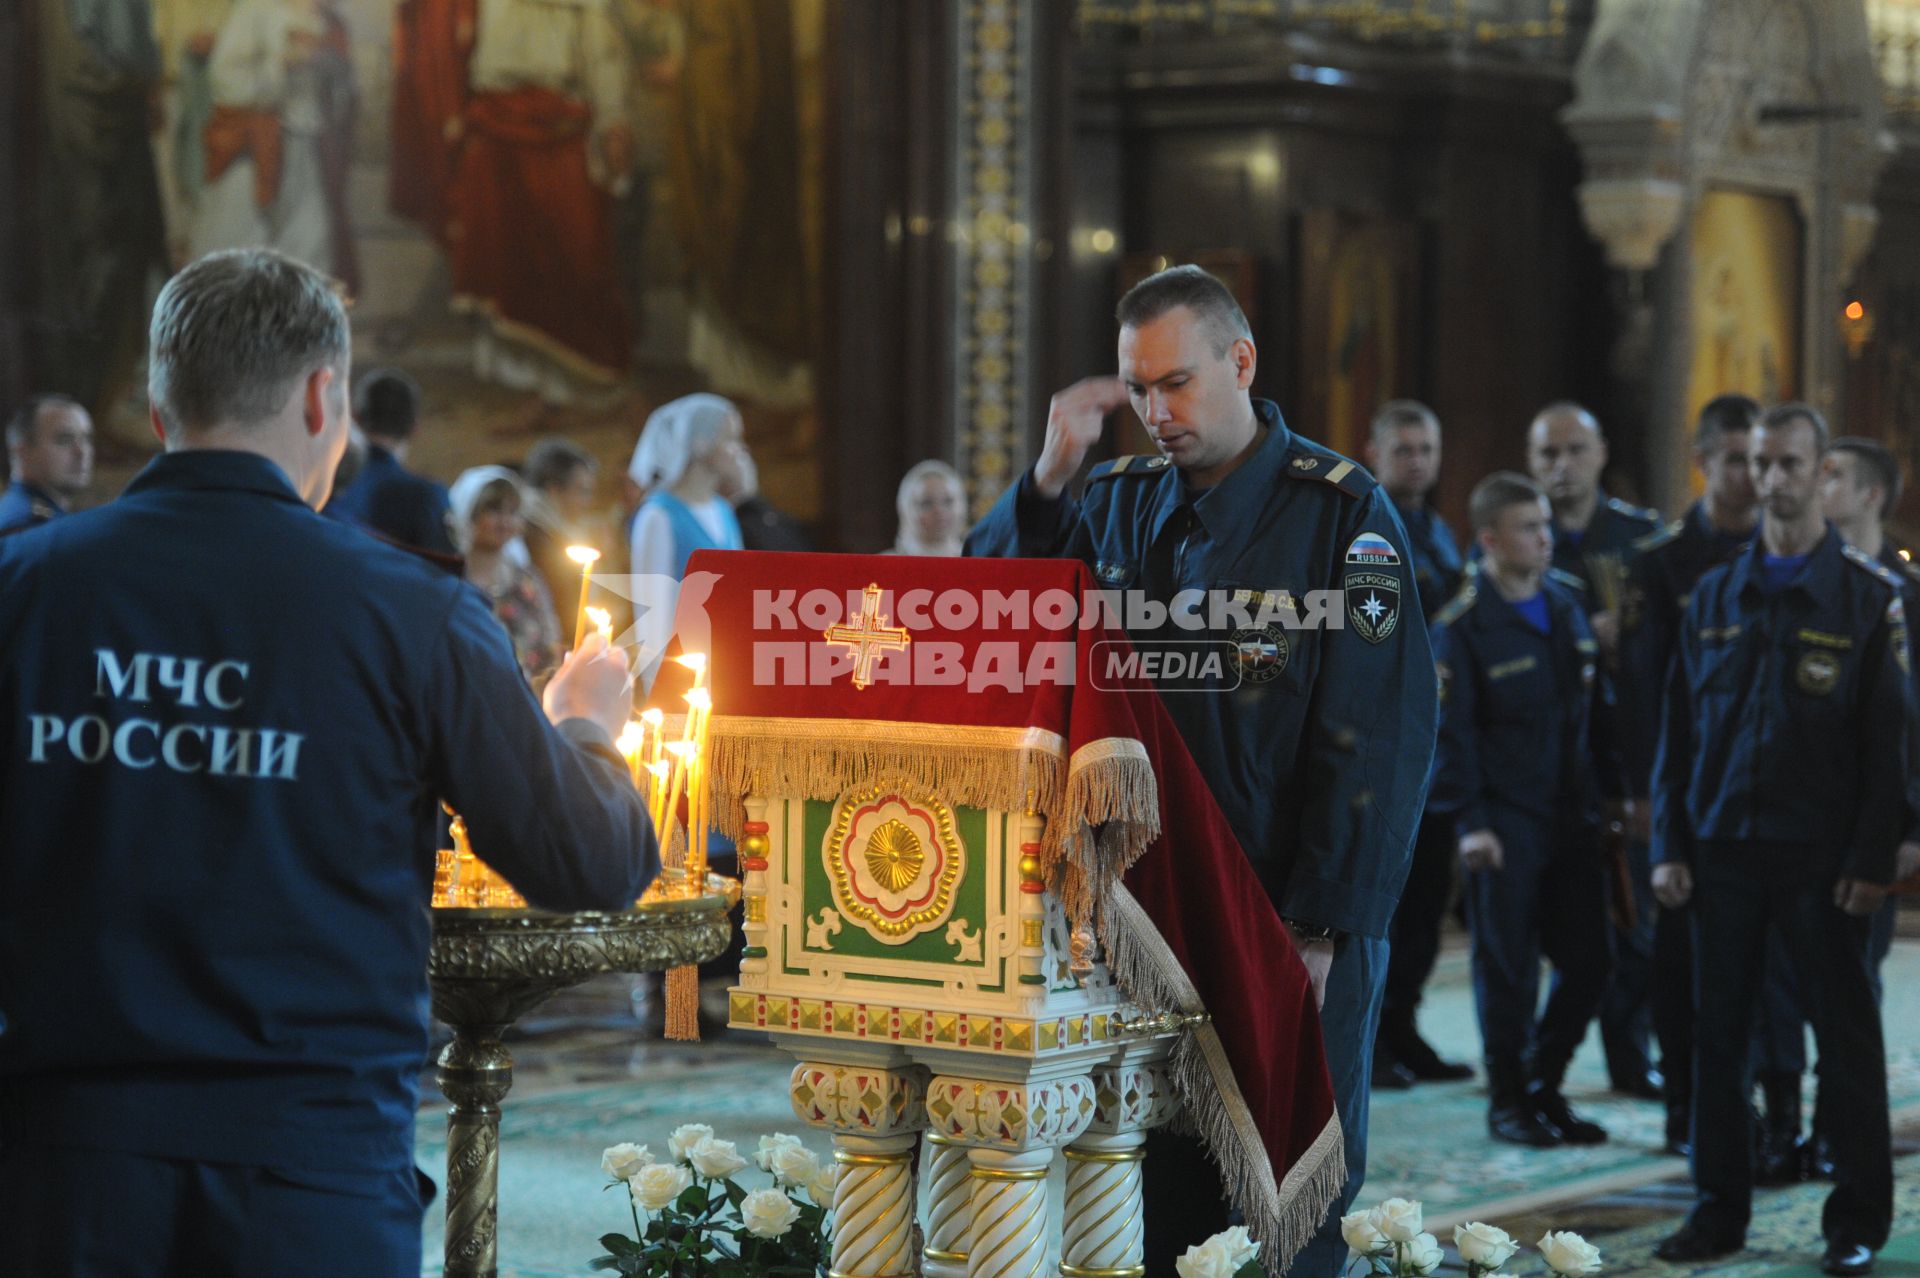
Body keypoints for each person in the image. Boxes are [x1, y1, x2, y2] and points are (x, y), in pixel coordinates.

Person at [0, 248, 658, 1275]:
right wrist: (584, 724)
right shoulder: (414, 611)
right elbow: (589, 863)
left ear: (161, 404)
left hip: (59, 1171)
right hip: (306, 1178)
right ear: (322, 398)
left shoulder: (25, 585)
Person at [965, 264, 1437, 1276]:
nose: (1154, 412)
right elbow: (990, 621)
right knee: (1156, 1187)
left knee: (1288, 1189)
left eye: (1175, 383)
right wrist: (1047, 482)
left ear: (1242, 361)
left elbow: (1380, 738)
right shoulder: (1118, 500)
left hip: (1286, 911)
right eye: (1136, 389)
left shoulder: (1342, 516)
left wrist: (1323, 923)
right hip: (1145, 918)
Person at [1652, 404, 1904, 1277]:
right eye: (1759, 464)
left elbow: (1889, 748)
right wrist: (1668, 844)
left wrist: (1874, 862)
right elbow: (1677, 734)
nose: (1772, 479)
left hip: (1823, 862)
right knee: (1717, 1040)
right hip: (1723, 848)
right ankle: (1718, 1211)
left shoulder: (1869, 598)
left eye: (1791, 464)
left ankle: (1856, 1222)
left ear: (1822, 471)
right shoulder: (1715, 594)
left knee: (1847, 1042)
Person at [1430, 473, 1625, 1146]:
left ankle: (1545, 1083)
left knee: (1593, 961)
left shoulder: (1566, 606)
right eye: (1529, 528)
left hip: (1572, 815)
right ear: (1490, 540)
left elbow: (1597, 714)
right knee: (1507, 968)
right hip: (1504, 821)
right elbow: (1448, 738)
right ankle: (1509, 1100)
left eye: (1546, 525)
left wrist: (1616, 796)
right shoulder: (1461, 627)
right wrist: (1471, 823)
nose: (1547, 538)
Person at [1619, 393, 1768, 1159]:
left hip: (1762, 792)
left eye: (1762, 460)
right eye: (1737, 458)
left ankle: (1760, 1108)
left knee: (1766, 966)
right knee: (1676, 959)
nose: (1752, 475)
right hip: (1684, 788)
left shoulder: (1780, 555)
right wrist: (1646, 792)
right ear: (1704, 460)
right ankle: (1684, 1108)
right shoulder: (1664, 561)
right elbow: (1646, 688)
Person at [1525, 399, 1663, 1099]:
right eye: (1548, 454)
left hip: (1632, 750)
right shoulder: (1522, 539)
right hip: (1553, 762)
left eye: (1574, 450)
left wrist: (1627, 637)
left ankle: (1631, 1055)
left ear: (1602, 454)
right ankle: (1531, 1068)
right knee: (1571, 929)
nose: (1562, 466)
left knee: (1638, 914)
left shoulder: (1641, 539)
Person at [1364, 400, 1471, 1088]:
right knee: (1385, 907)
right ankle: (1371, 1041)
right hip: (1381, 749)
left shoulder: (1441, 533)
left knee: (1428, 902)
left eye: (1426, 449)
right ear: (1374, 453)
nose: (1417, 462)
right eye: (1403, 449)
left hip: (1438, 750)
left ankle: (1405, 1027)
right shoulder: (1366, 526)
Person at [450, 0, 635, 399]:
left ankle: (584, 392)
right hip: (499, 126)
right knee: (510, 266)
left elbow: (604, 54)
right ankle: (537, 397)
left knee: (575, 258)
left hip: (561, 127)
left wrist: (613, 120)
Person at [190, 0, 359, 292]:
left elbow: (345, 93)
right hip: (258, 151)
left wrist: (330, 65)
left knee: (310, 244)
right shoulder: (255, 10)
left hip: (310, 150)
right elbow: (225, 79)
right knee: (245, 247)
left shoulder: (331, 22)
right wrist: (282, 64)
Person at [628, 393, 746, 683]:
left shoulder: (723, 510)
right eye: (729, 440)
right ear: (700, 442)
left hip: (726, 664)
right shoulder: (658, 516)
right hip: (682, 671)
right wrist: (658, 682)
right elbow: (651, 611)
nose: (738, 451)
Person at [449, 466, 565, 681]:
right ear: (469, 514)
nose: (504, 521)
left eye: (511, 512)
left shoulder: (527, 579)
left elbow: (550, 640)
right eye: (493, 510)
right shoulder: (450, 580)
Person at [324, 368, 456, 555]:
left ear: (355, 417)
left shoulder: (323, 483)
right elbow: (443, 572)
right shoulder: (428, 496)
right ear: (414, 428)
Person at [522, 436, 603, 646]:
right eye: (582, 491)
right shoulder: (532, 537)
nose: (588, 502)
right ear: (553, 490)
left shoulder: (557, 531)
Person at [1, 395, 96, 533]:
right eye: (65, 439)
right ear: (23, 452)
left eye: (86, 439)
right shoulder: (27, 525)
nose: (82, 452)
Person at [890, 459, 967, 557]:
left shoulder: (976, 563)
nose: (939, 511)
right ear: (906, 510)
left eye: (948, 501)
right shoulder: (885, 564)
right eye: (927, 503)